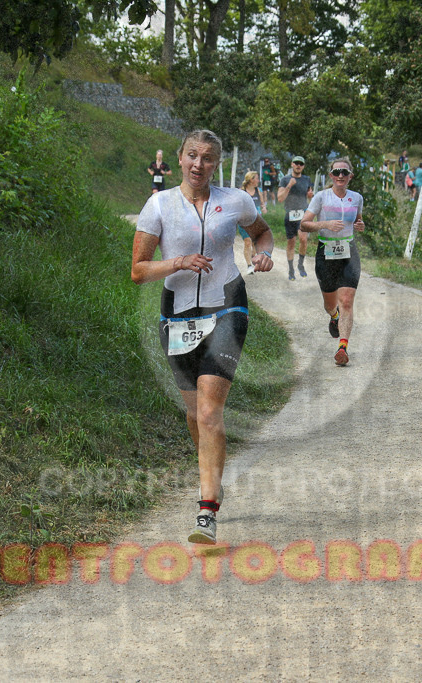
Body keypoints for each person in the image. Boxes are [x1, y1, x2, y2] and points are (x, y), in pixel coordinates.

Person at [131, 130, 274, 544]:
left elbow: (261, 232)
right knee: (195, 416)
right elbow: (138, 270)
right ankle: (211, 477)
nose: (199, 164)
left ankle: (207, 507)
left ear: (216, 164)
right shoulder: (158, 205)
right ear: (179, 158)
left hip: (227, 306)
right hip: (176, 316)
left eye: (208, 158)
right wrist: (176, 262)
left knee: (210, 412)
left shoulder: (236, 201)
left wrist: (261, 252)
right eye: (193, 155)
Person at [300, 157, 365, 366]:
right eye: (336, 172)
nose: (340, 176)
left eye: (344, 173)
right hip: (326, 251)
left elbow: (357, 220)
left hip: (348, 251)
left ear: (350, 176)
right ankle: (333, 315)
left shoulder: (356, 198)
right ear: (331, 175)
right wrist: (325, 223)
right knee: (330, 304)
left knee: (346, 300)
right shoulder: (321, 197)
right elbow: (304, 224)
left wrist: (360, 225)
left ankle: (343, 347)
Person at [277, 155, 315, 281]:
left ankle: (300, 265)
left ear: (303, 166)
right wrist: (289, 185)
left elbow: (310, 196)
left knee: (303, 239)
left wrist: (310, 195)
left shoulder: (307, 179)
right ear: (292, 164)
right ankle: (291, 269)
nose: (298, 165)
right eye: (296, 163)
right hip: (290, 213)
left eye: (301, 164)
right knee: (291, 243)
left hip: (303, 213)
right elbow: (280, 198)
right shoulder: (285, 179)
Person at [239, 170, 265, 274]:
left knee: (254, 243)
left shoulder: (258, 191)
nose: (258, 180)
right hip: (244, 221)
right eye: (257, 178)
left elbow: (262, 204)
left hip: (256, 221)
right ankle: (249, 265)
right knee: (247, 242)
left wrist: (264, 208)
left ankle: (253, 257)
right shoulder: (242, 192)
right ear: (251, 180)